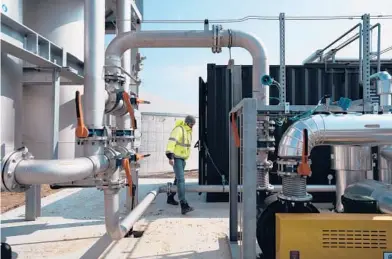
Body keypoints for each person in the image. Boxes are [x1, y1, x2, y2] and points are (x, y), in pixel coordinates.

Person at [165, 115, 196, 215]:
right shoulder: (179, 129)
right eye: (191, 124)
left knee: (177, 179)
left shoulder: (188, 131)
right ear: (187, 122)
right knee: (181, 180)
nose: (192, 126)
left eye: (193, 124)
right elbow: (171, 142)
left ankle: (170, 197)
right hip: (176, 158)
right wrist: (170, 156)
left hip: (182, 159)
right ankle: (184, 205)